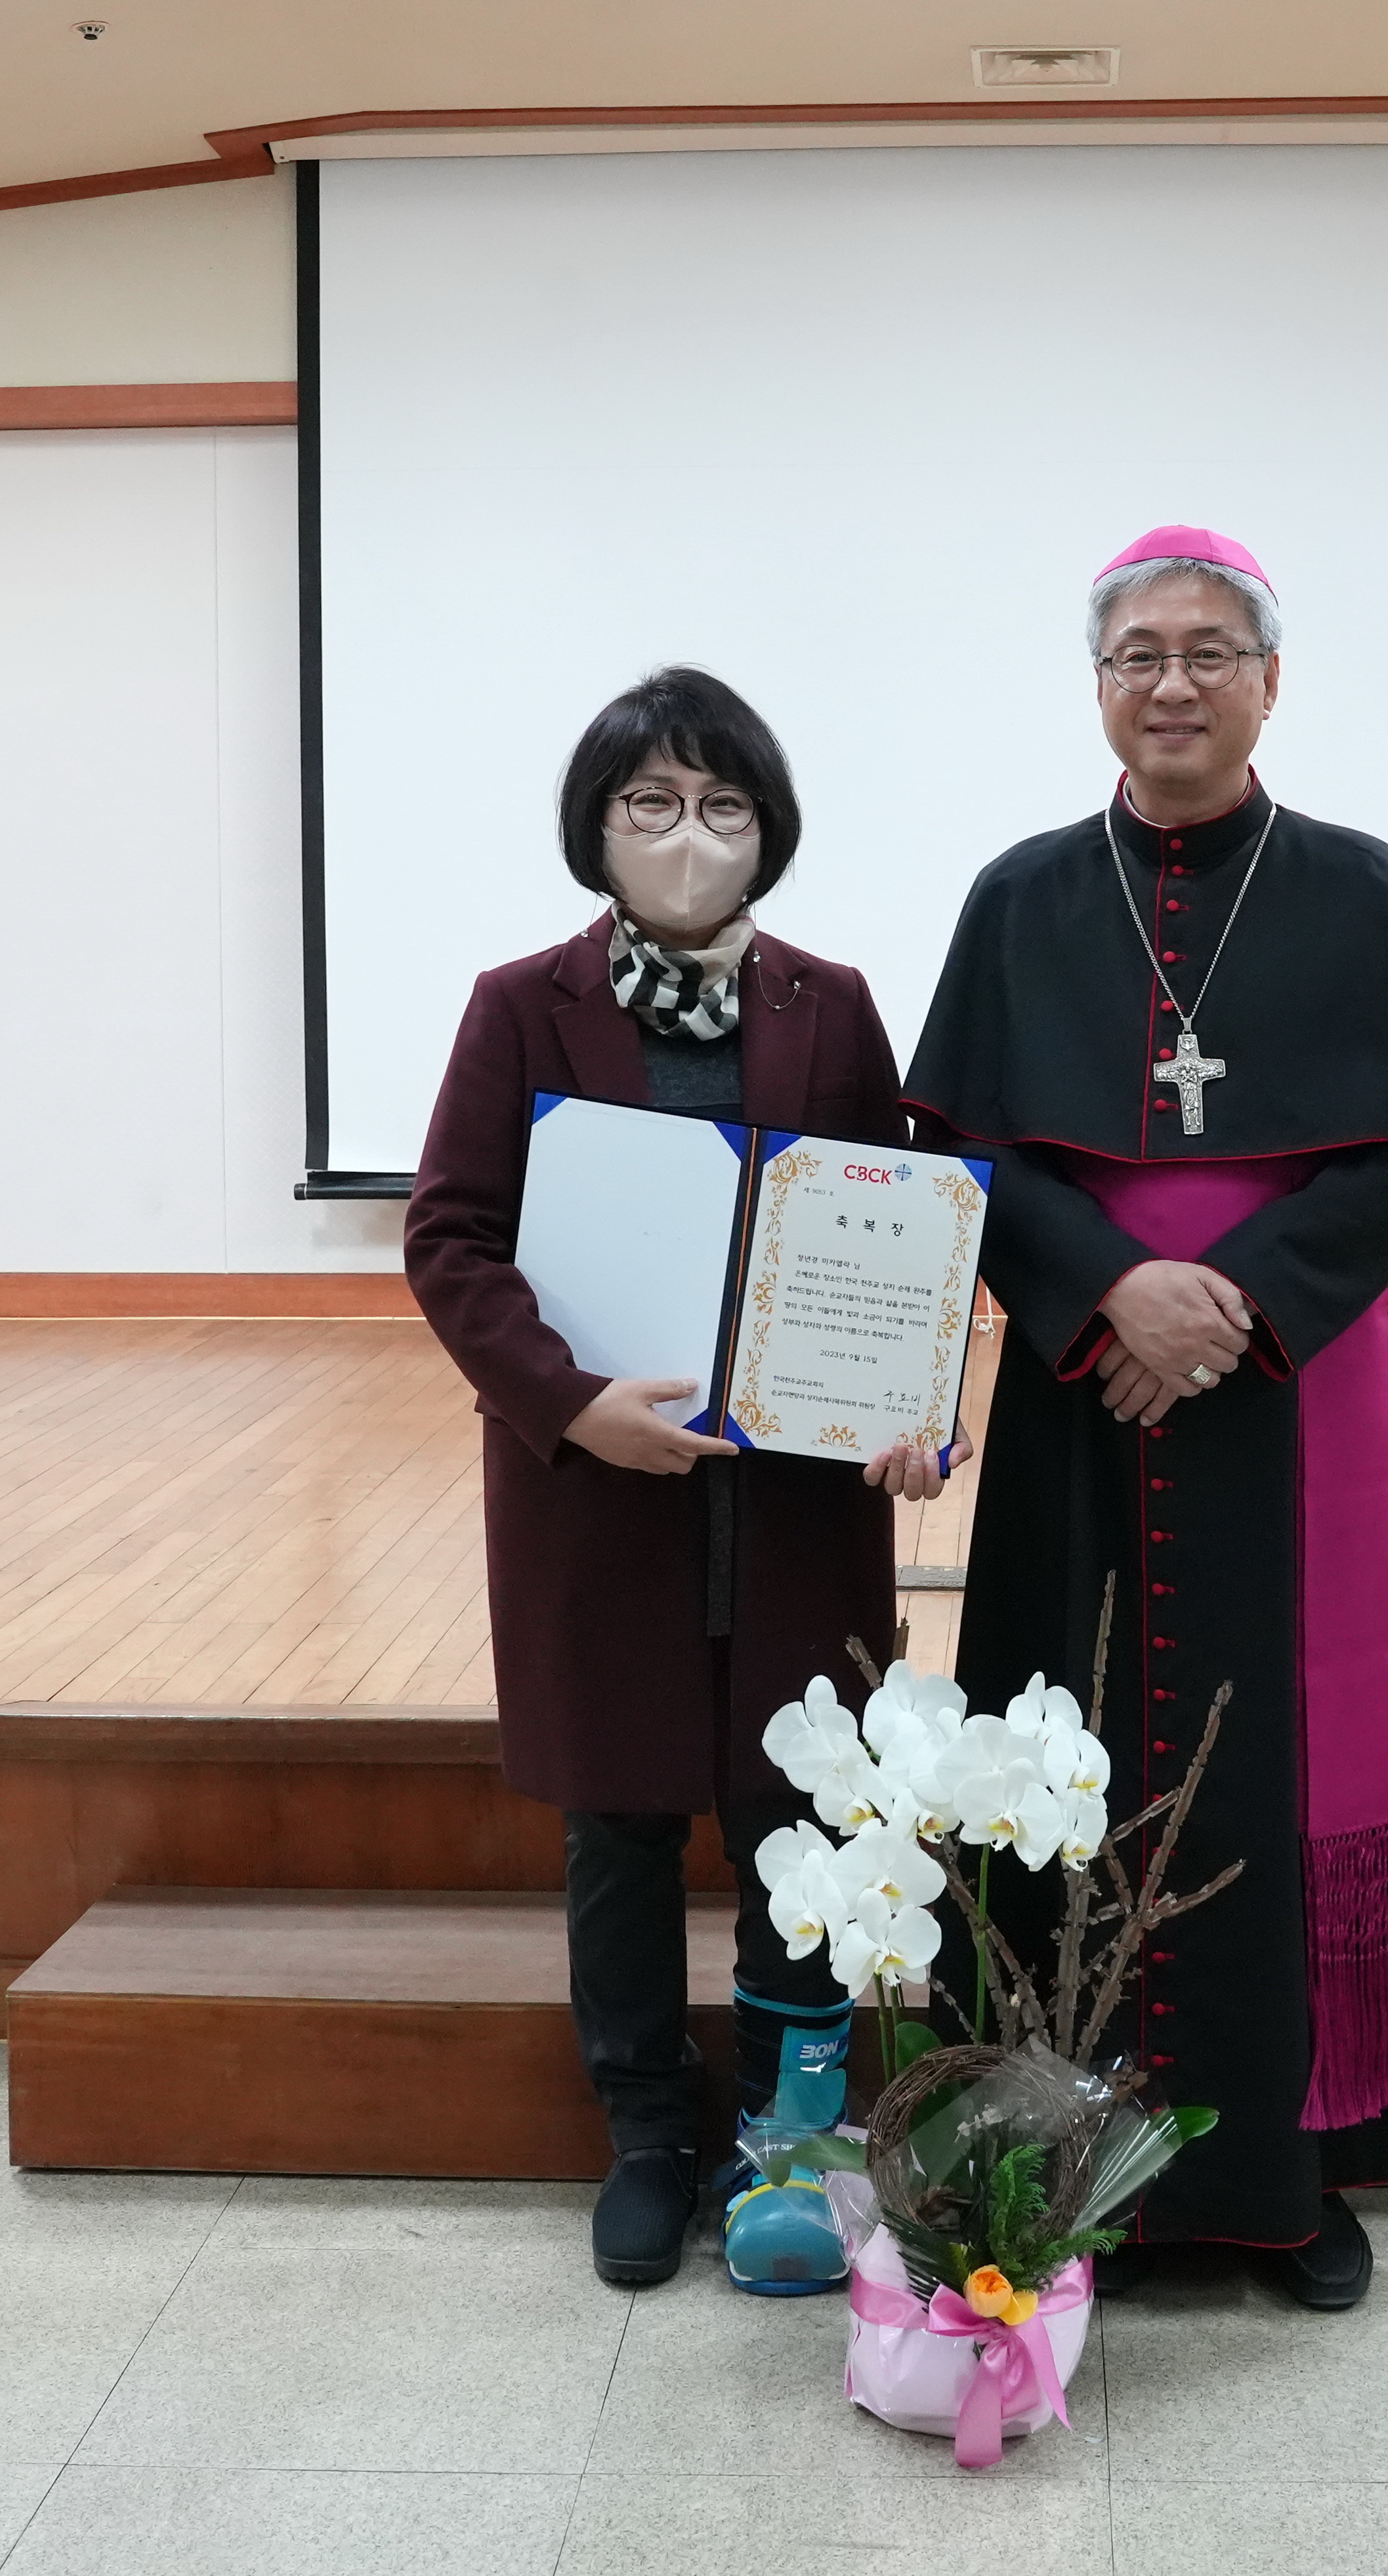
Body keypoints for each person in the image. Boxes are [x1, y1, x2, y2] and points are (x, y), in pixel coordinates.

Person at [904, 528, 1388, 2306]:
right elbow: (970, 1150)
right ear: (1096, 685)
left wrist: (1227, 1305)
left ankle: (1285, 2172)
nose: (1170, 683)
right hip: (1082, 1387)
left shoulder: (1361, 888)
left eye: (1207, 651)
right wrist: (1111, 1288)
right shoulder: (1020, 897)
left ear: (1267, 679)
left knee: (1300, 1757)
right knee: (1065, 1739)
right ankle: (1057, 2166)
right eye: (1136, 655)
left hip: (1293, 1393)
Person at [406, 667, 967, 2293]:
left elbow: (898, 1226)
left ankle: (786, 2135)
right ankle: (647, 2131)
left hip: (790, 1500)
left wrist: (914, 1413)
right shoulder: (520, 1004)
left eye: (722, 804)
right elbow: (451, 1238)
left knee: (801, 1805)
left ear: (767, 829)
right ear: (593, 826)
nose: (686, 834)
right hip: (602, 1491)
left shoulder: (830, 1004)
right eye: (648, 802)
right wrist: (569, 1404)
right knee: (622, 1822)